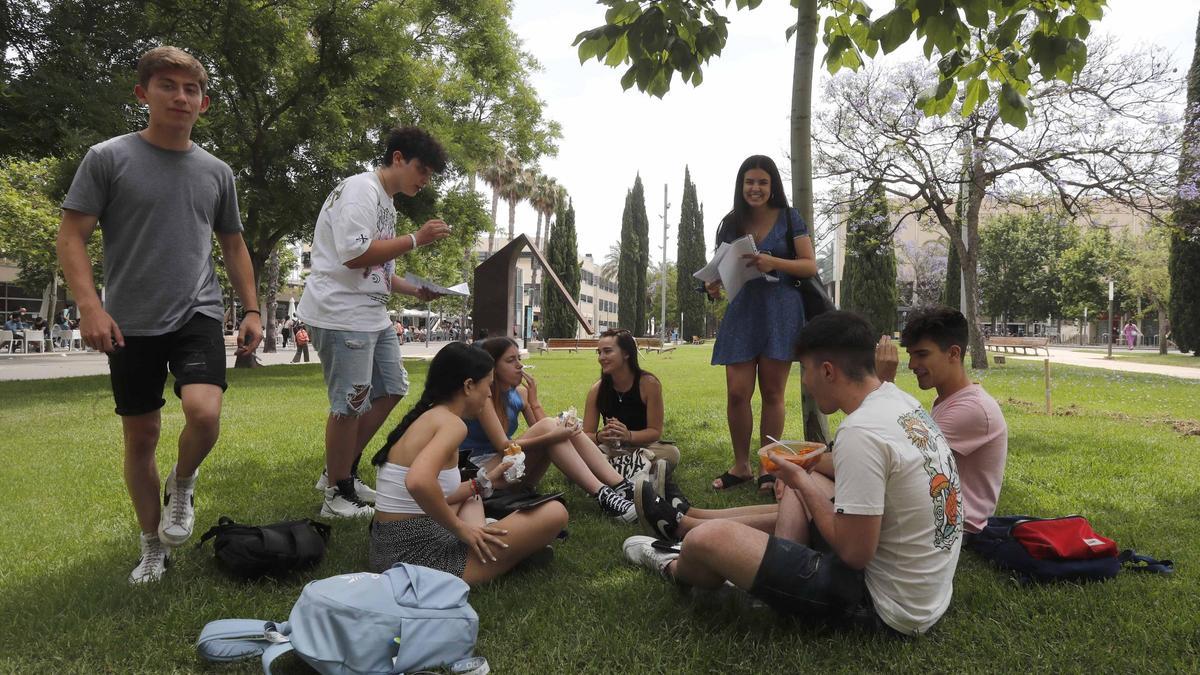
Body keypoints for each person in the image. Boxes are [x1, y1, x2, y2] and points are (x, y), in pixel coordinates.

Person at [55, 46, 262, 584]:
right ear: (143, 94)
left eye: (190, 89)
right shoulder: (108, 158)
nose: (180, 96)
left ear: (204, 103)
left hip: (196, 308)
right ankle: (152, 546)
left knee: (204, 412)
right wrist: (90, 306)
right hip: (128, 318)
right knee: (141, 435)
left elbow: (234, 245)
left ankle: (184, 481)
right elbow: (72, 234)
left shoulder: (216, 172)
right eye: (167, 85)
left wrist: (253, 309)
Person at [624, 311, 963, 635]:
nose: (804, 381)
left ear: (828, 371)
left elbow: (855, 553)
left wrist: (798, 479)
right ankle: (762, 578)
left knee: (707, 540)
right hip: (924, 593)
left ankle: (672, 563)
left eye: (805, 370)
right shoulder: (899, 402)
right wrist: (808, 465)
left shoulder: (861, 432)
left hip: (884, 606)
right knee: (813, 479)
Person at [636, 306, 1006, 546]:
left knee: (808, 486)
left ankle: (691, 528)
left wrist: (799, 465)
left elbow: (866, 456)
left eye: (922, 355)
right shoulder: (927, 403)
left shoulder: (967, 411)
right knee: (809, 483)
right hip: (921, 519)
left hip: (947, 527)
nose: (913, 365)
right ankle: (688, 518)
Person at [297, 126, 451, 518]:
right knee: (350, 404)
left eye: (430, 174)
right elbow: (354, 254)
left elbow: (377, 268)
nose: (424, 181)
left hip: (371, 313)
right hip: (342, 313)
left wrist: (416, 290)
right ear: (398, 158)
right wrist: (416, 239)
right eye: (423, 170)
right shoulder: (360, 190)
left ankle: (341, 469)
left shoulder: (385, 201)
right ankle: (336, 492)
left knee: (393, 386)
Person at [369, 342, 568, 583]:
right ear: (468, 385)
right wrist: (460, 529)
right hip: (417, 559)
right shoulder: (453, 425)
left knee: (473, 495)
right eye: (488, 385)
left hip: (386, 547)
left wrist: (484, 482)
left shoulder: (429, 417)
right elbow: (418, 482)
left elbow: (430, 494)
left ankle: (500, 542)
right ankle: (508, 550)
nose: (489, 394)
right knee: (556, 512)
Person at [705, 155, 815, 491]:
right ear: (741, 186)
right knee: (737, 393)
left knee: (772, 392)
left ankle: (769, 466)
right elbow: (722, 267)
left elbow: (809, 266)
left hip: (780, 310)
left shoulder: (790, 218)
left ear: (772, 186)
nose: (755, 188)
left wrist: (773, 262)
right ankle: (741, 466)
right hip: (743, 310)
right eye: (749, 182)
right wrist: (713, 286)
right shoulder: (730, 222)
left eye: (762, 182)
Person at [463, 337, 638, 522]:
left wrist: (535, 402)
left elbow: (544, 426)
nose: (519, 366)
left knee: (557, 427)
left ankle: (621, 486)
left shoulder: (519, 395)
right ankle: (605, 495)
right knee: (552, 431)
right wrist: (554, 434)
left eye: (519, 359)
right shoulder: (485, 397)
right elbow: (503, 446)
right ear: (493, 367)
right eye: (510, 360)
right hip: (481, 472)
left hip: (510, 472)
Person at [875, 306, 1008, 540]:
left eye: (922, 354)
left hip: (952, 526)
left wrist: (883, 383)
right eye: (911, 355)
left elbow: (895, 459)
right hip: (932, 514)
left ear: (954, 354)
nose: (912, 364)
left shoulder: (972, 409)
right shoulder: (949, 400)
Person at [582, 328, 680, 480]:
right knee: (580, 453)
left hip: (643, 447)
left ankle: (614, 472)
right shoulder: (597, 390)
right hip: (611, 448)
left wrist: (628, 435)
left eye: (607, 351)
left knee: (671, 453)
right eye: (599, 352)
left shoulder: (649, 384)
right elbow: (586, 436)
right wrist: (601, 436)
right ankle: (641, 471)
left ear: (626, 354)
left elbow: (654, 431)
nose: (601, 357)